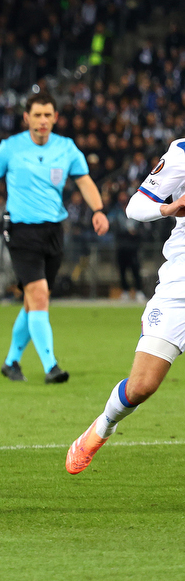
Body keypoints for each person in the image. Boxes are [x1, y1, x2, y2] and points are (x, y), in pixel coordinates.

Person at [0, 91, 109, 384]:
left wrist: (98, 210)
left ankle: (10, 362)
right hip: (21, 230)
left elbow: (84, 181)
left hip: (54, 231)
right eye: (37, 115)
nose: (43, 120)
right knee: (39, 295)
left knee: (34, 301)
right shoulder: (9, 148)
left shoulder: (67, 148)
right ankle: (51, 367)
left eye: (48, 115)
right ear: (26, 118)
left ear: (55, 118)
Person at [66, 136, 185, 473]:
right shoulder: (181, 154)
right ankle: (103, 426)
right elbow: (136, 206)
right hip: (180, 289)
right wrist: (168, 208)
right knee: (142, 385)